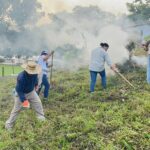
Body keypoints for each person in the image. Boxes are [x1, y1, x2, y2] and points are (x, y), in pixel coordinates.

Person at [5, 61, 45, 130]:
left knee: (38, 103)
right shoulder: (21, 77)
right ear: (27, 70)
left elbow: (36, 79)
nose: (32, 73)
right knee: (16, 110)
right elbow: (19, 90)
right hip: (21, 93)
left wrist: (35, 85)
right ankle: (8, 125)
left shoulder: (35, 73)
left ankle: (41, 119)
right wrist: (24, 101)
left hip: (31, 91)